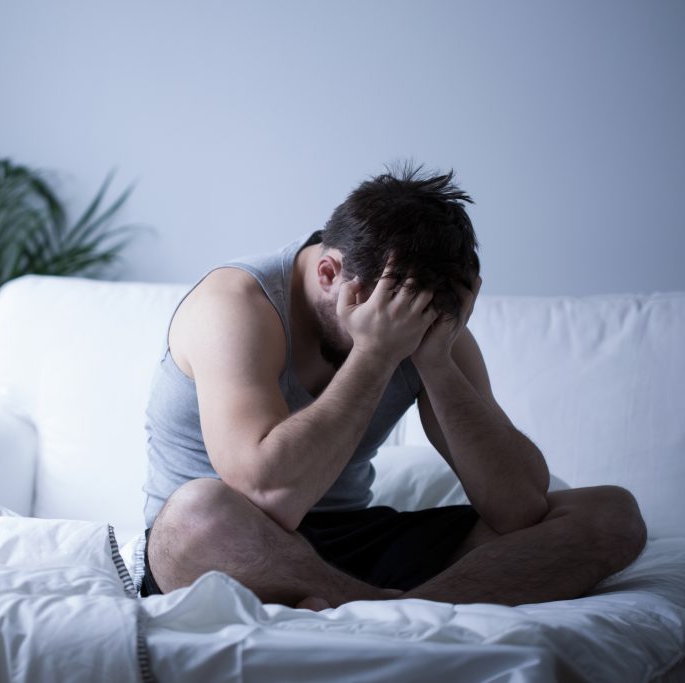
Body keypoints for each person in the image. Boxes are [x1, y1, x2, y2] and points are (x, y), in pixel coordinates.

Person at [139, 165, 647, 609]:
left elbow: (518, 508)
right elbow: (270, 494)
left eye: (425, 318)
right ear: (328, 272)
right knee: (196, 515)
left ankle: (384, 610)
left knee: (610, 515)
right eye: (395, 314)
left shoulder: (425, 323)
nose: (410, 330)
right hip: (236, 541)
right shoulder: (235, 306)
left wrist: (438, 363)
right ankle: (390, 611)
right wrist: (376, 353)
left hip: (347, 543)